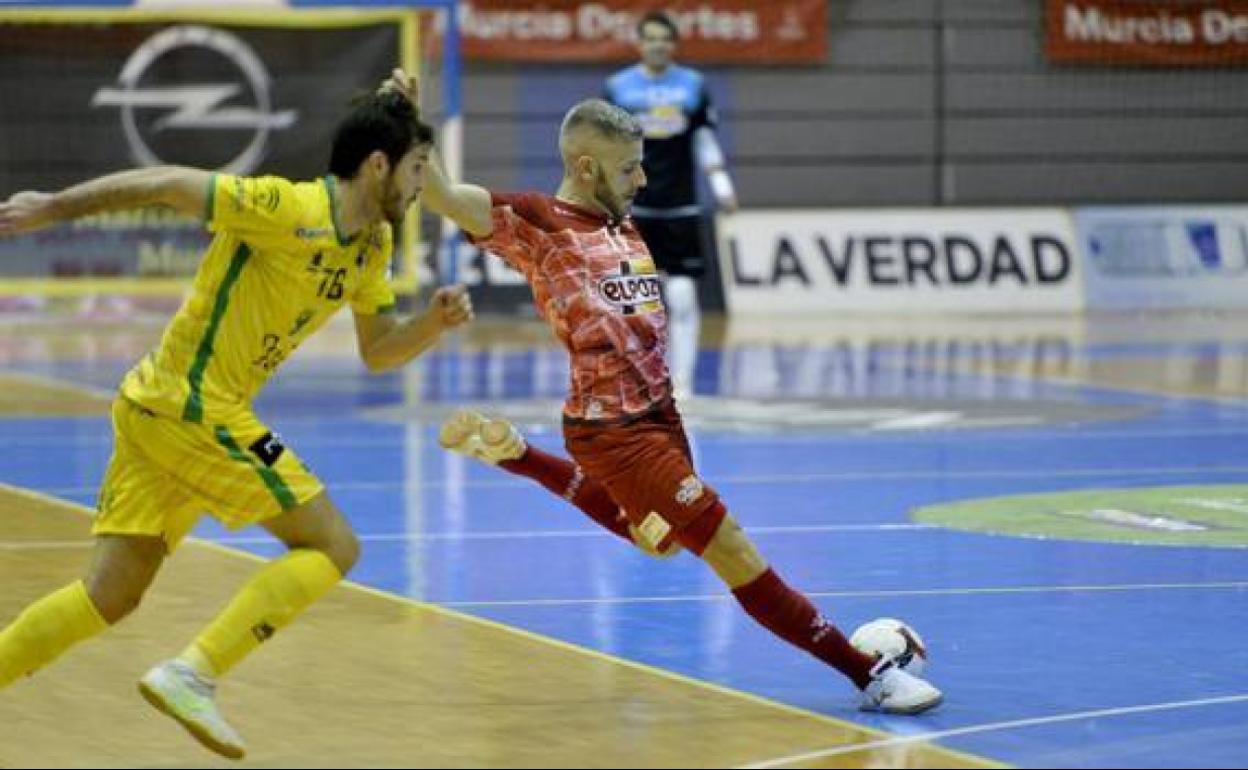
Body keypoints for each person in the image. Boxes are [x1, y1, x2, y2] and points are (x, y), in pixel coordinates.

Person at [393, 69, 943, 715]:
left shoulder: (625, 227)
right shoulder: (540, 224)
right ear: (587, 167)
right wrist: (409, 128)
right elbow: (447, 196)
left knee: (660, 538)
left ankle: (518, 456)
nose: (644, 181)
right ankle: (868, 674)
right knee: (727, 543)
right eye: (630, 169)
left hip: (662, 417)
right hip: (614, 433)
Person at [0, 88, 473, 760]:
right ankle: (192, 673)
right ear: (377, 165)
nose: (425, 185)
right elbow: (165, 183)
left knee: (109, 597)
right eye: (418, 168)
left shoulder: (373, 244)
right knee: (334, 545)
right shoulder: (287, 207)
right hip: (191, 405)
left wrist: (431, 324)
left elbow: (377, 351)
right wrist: (53, 207)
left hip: (157, 407)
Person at [603, 10, 738, 401]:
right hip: (635, 210)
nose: (658, 45)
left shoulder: (693, 86)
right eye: (651, 38)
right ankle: (635, 380)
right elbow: (607, 147)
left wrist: (721, 184)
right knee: (632, 302)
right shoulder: (618, 87)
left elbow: (705, 139)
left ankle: (684, 384)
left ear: (673, 44)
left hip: (680, 207)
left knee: (681, 298)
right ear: (640, 43)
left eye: (665, 38)